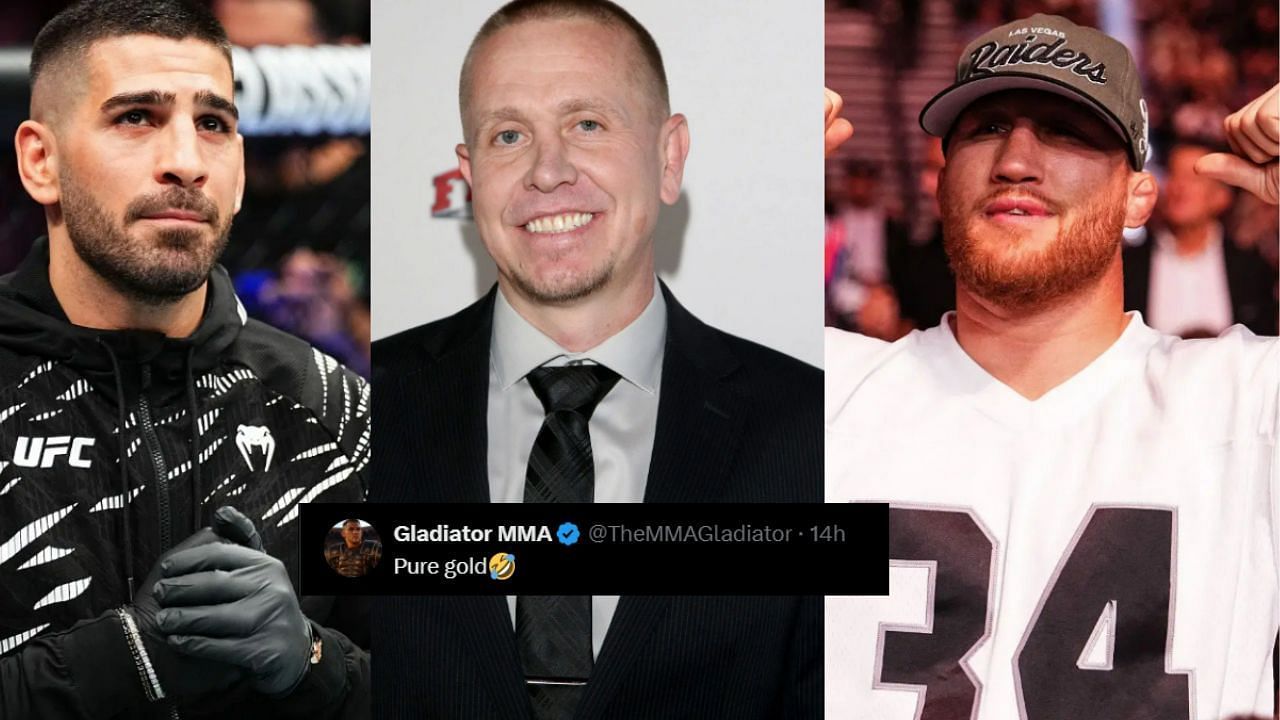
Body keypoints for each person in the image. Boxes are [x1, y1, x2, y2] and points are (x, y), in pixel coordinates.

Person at [372, 1, 820, 718]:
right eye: (508, 134)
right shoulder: (357, 404)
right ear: (469, 173)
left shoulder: (811, 430)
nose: (548, 172)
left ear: (669, 157)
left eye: (587, 124)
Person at [825, 14, 1278, 719]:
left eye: (1068, 130)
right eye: (985, 128)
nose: (1015, 160)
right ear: (942, 179)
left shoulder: (1246, 406)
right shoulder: (824, 397)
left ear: (1139, 192)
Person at [0, 1, 370, 717]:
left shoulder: (329, 410)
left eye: (214, 124)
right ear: (40, 161)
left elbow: (450, 682)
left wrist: (314, 663)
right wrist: (122, 662)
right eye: (136, 117)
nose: (186, 162)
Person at [1123, 140, 1277, 337]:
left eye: (1192, 178)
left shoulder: (1251, 267)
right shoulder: (1130, 265)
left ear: (1222, 196)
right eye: (1173, 174)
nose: (1179, 187)